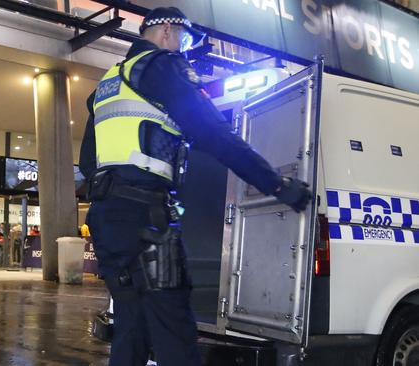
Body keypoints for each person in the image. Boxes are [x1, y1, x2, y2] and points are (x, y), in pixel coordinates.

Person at [79, 7, 312, 366]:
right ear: (169, 32)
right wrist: (277, 185)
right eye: (185, 40)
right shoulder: (162, 66)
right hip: (147, 218)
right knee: (175, 332)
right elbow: (214, 133)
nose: (184, 48)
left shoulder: (106, 84)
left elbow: (87, 162)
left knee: (131, 326)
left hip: (108, 218)